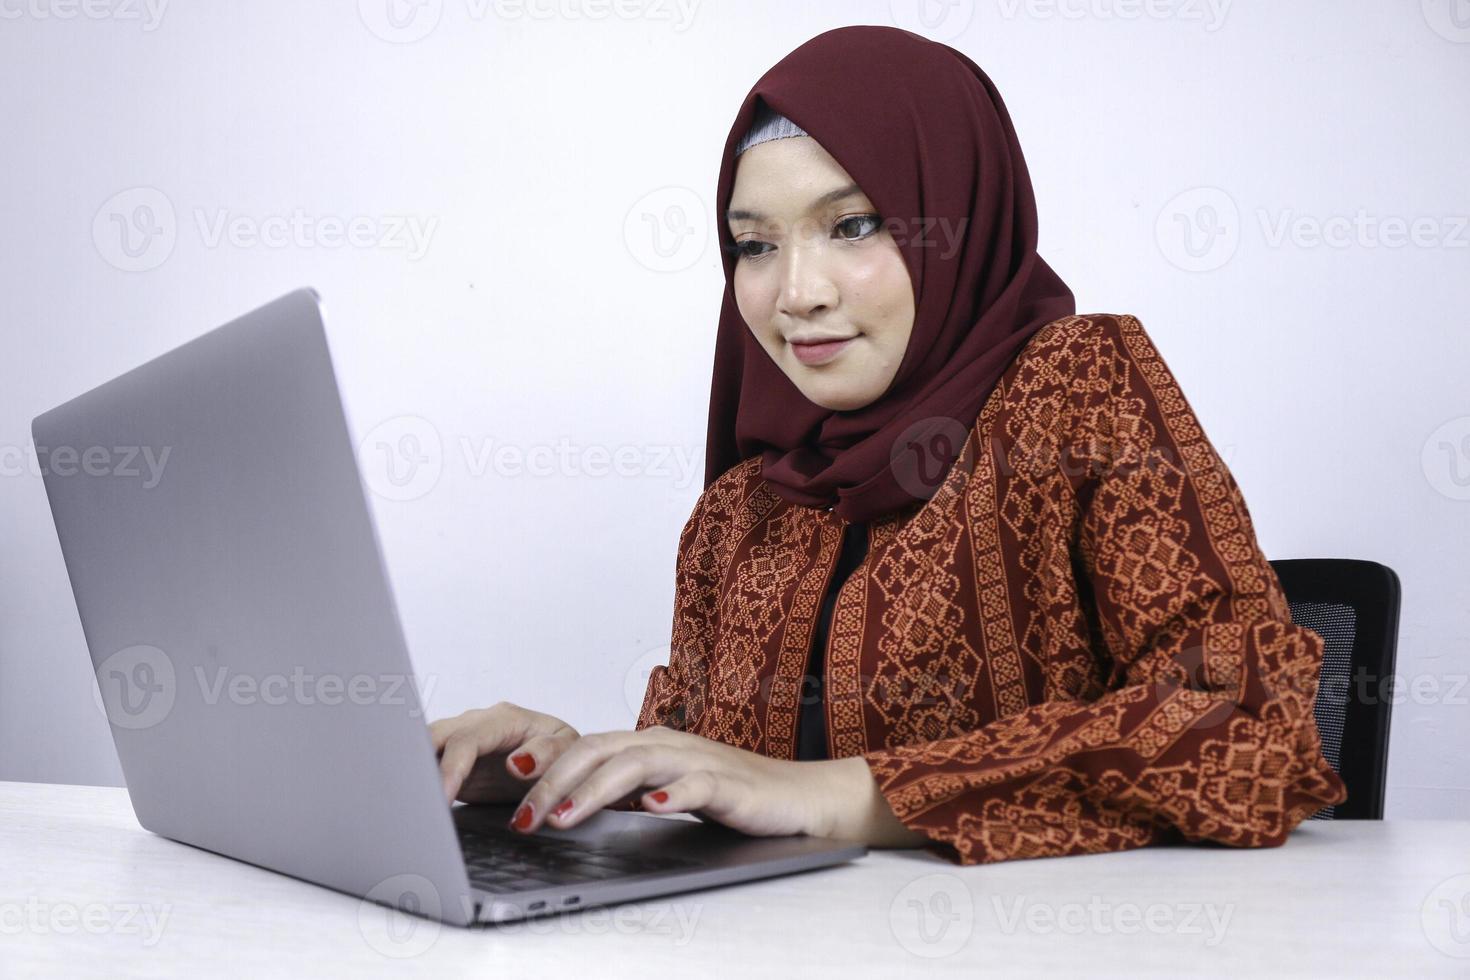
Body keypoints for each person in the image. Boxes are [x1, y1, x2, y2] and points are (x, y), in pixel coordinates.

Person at [429, 25, 1346, 866]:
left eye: (853, 226)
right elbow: (706, 784)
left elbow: (1252, 726)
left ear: (956, 215)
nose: (797, 292)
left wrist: (839, 794)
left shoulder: (1076, 387)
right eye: (753, 245)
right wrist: (556, 770)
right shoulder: (742, 509)